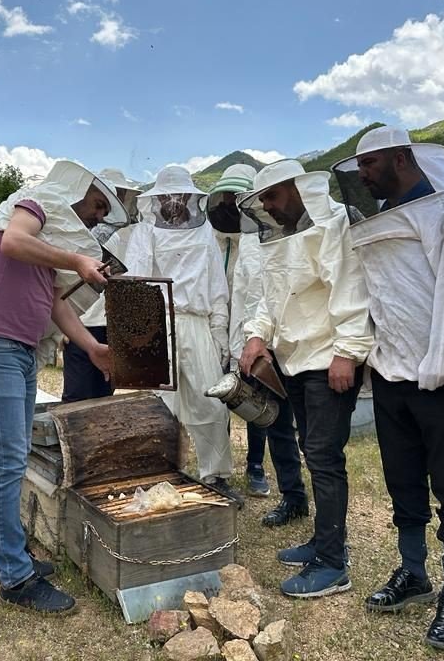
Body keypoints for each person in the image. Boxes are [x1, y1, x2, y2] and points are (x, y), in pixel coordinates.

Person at [332, 126, 444, 648]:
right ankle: (414, 573)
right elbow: (379, 298)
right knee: (403, 481)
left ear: (401, 159)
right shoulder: (377, 220)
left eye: (370, 165)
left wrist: (437, 368)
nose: (363, 176)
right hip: (392, 376)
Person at [0, 160, 127, 613]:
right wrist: (77, 259)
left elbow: (54, 305)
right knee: (7, 461)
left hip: (19, 350)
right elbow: (13, 241)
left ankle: (8, 557)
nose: (98, 216)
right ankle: (15, 578)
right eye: (97, 206)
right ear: (76, 192)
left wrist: (92, 348)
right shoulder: (34, 205)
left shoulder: (48, 247)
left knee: (13, 457)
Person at [239, 159, 373, 599]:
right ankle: (321, 540)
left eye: (273, 198)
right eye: (263, 202)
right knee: (311, 450)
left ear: (296, 189)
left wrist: (347, 353)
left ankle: (334, 563)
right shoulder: (279, 237)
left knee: (323, 456)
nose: (269, 208)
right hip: (294, 359)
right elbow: (272, 294)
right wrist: (257, 335)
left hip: (328, 360)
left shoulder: (333, 225)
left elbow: (351, 288)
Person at [123, 165, 242, 506]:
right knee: (154, 403)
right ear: (157, 199)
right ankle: (153, 474)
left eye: (179, 196)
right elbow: (134, 283)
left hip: (195, 322)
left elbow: (216, 287)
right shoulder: (145, 233)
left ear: (191, 198)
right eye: (167, 196)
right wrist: (135, 336)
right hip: (154, 324)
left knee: (210, 401)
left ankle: (215, 474)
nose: (173, 203)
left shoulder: (205, 234)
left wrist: (219, 333)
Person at [207, 164, 310, 523]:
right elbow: (242, 299)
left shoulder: (280, 235)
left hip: (295, 343)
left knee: (308, 433)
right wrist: (244, 342)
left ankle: (318, 503)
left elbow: (279, 291)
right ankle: (293, 497)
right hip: (254, 344)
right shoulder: (231, 242)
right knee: (274, 423)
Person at [62, 168, 141, 402]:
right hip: (80, 321)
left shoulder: (129, 234)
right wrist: (62, 329)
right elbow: (62, 278)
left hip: (111, 322)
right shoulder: (76, 229)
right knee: (77, 396)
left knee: (104, 395)